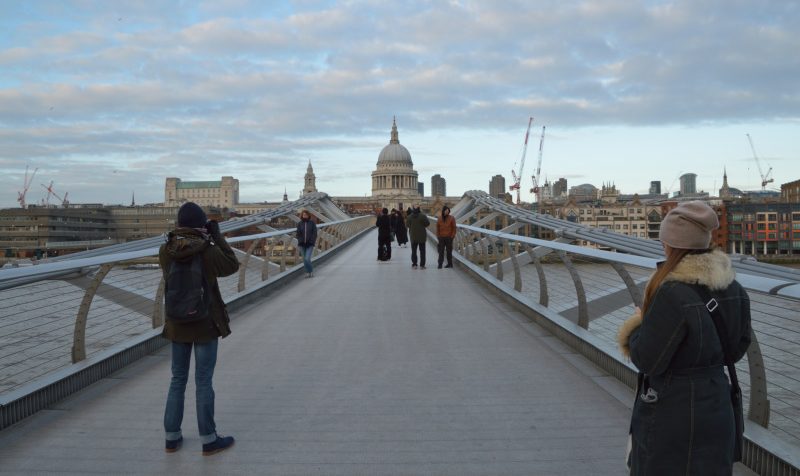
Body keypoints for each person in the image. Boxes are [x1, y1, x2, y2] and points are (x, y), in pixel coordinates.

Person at [617, 201, 751, 475]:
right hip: (717, 401)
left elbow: (647, 360)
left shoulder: (672, 293)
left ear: (670, 244)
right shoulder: (733, 287)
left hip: (673, 409)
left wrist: (638, 324)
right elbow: (736, 349)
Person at [159, 202, 240, 456]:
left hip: (177, 323)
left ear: (179, 224)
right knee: (203, 381)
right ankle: (208, 439)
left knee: (177, 379)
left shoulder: (165, 249)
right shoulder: (207, 250)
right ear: (201, 224)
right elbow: (232, 265)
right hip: (205, 322)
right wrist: (217, 238)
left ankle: (172, 437)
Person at [406, 205, 430, 269]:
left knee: (414, 251)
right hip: (422, 236)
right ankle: (422, 265)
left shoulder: (409, 217)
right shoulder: (423, 216)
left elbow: (407, 225)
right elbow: (427, 223)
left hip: (413, 236)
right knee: (422, 251)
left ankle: (414, 264)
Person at [296, 210, 318, 278]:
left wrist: (311, 242)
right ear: (302, 215)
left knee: (307, 258)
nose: (304, 216)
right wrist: (301, 241)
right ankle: (307, 273)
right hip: (302, 244)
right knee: (304, 260)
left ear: (308, 215)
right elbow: (298, 234)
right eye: (303, 215)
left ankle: (311, 271)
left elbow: (314, 234)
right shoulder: (300, 223)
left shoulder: (312, 223)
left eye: (306, 214)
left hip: (310, 244)